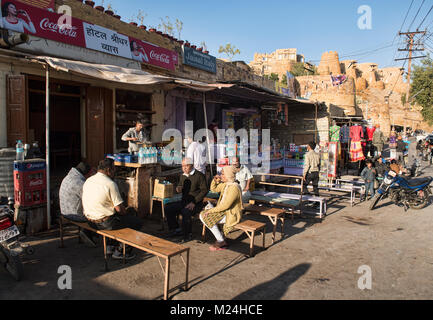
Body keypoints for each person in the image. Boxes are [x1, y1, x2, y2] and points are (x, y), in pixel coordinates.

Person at [82, 158, 143, 260]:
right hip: (104, 223)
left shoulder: (89, 180)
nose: (115, 172)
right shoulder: (110, 184)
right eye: (114, 169)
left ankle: (110, 246)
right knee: (136, 222)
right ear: (109, 170)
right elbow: (120, 210)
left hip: (90, 221)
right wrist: (127, 211)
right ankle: (121, 251)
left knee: (117, 217)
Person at [200, 166, 243, 251]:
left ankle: (221, 240)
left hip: (231, 214)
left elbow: (225, 206)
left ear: (228, 175)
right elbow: (213, 189)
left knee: (205, 216)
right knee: (204, 214)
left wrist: (211, 211)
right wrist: (215, 180)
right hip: (225, 212)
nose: (221, 175)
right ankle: (221, 238)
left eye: (223, 174)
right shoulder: (226, 184)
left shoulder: (234, 187)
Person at [165, 158, 208, 242]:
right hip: (184, 201)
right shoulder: (183, 175)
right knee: (168, 208)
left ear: (191, 165)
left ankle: (187, 234)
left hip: (196, 203)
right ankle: (176, 229)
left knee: (186, 211)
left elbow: (204, 190)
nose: (184, 168)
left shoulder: (199, 175)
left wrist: (194, 202)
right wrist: (178, 188)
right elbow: (180, 186)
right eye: (182, 166)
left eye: (186, 166)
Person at [59, 162, 96, 247]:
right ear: (87, 174)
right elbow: (91, 200)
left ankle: (89, 232)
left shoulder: (69, 177)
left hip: (64, 211)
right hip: (74, 214)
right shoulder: (80, 182)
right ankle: (87, 231)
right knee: (99, 213)